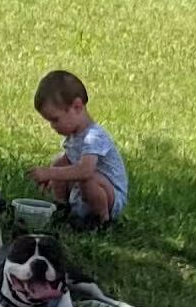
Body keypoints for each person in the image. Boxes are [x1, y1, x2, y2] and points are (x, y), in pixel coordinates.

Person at [28, 70, 128, 230]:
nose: (53, 126)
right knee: (60, 163)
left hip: (110, 197)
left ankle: (102, 221)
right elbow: (66, 161)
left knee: (87, 178)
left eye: (55, 119)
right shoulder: (74, 137)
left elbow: (85, 170)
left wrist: (49, 173)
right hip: (82, 192)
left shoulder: (94, 137)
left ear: (77, 106)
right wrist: (53, 173)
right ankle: (62, 208)